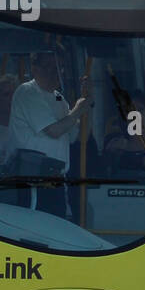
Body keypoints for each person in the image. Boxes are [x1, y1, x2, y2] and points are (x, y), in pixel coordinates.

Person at [7, 52, 90, 216]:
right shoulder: (27, 92)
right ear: (35, 69)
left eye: (59, 68)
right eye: (49, 67)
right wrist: (78, 110)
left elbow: (79, 137)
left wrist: (88, 103)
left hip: (57, 178)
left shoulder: (59, 99)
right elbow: (54, 130)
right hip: (33, 179)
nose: (55, 73)